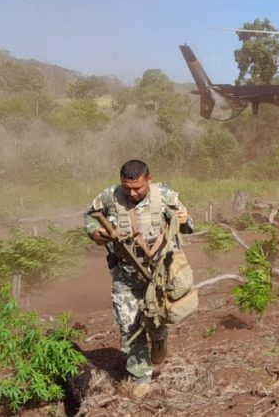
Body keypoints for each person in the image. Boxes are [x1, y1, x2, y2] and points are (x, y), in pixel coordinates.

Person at [84, 159, 193, 398]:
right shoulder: (109, 196)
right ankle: (141, 376)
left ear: (149, 179)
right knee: (129, 324)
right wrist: (96, 233)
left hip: (158, 275)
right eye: (127, 187)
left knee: (156, 321)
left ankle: (160, 340)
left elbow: (187, 225)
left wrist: (183, 220)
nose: (132, 193)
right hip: (125, 274)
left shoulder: (164, 195)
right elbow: (90, 217)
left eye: (138, 188)